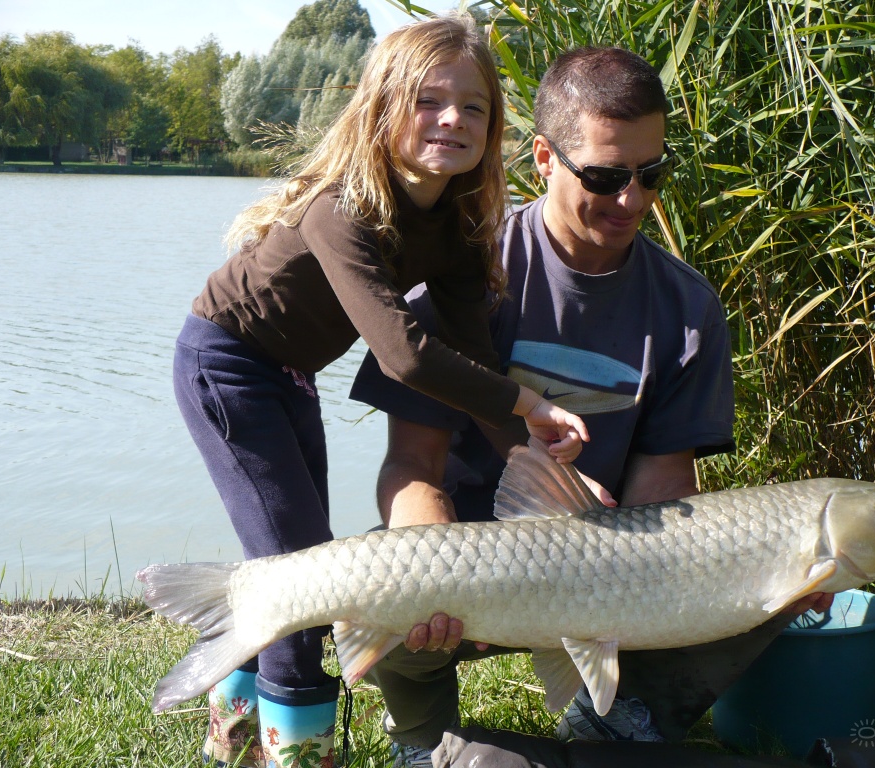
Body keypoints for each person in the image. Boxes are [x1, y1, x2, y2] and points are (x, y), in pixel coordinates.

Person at [349, 46, 834, 767]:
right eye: (605, 177)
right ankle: (423, 739)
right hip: (474, 554)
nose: (631, 201)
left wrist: (754, 584)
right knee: (395, 573)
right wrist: (439, 580)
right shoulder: (460, 278)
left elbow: (664, 495)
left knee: (773, 571)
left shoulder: (687, 308)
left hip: (608, 563)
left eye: (651, 174)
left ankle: (618, 715)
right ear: (545, 159)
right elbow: (412, 467)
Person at [171, 15, 589, 768]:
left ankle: (230, 735)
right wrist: (530, 406)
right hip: (225, 365)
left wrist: (539, 464)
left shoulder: (455, 227)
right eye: (429, 101)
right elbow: (407, 357)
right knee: (303, 583)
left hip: (289, 376)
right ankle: (298, 756)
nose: (452, 119)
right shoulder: (340, 207)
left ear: (492, 129)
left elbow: (473, 363)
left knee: (291, 555)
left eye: (473, 107)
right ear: (383, 108)